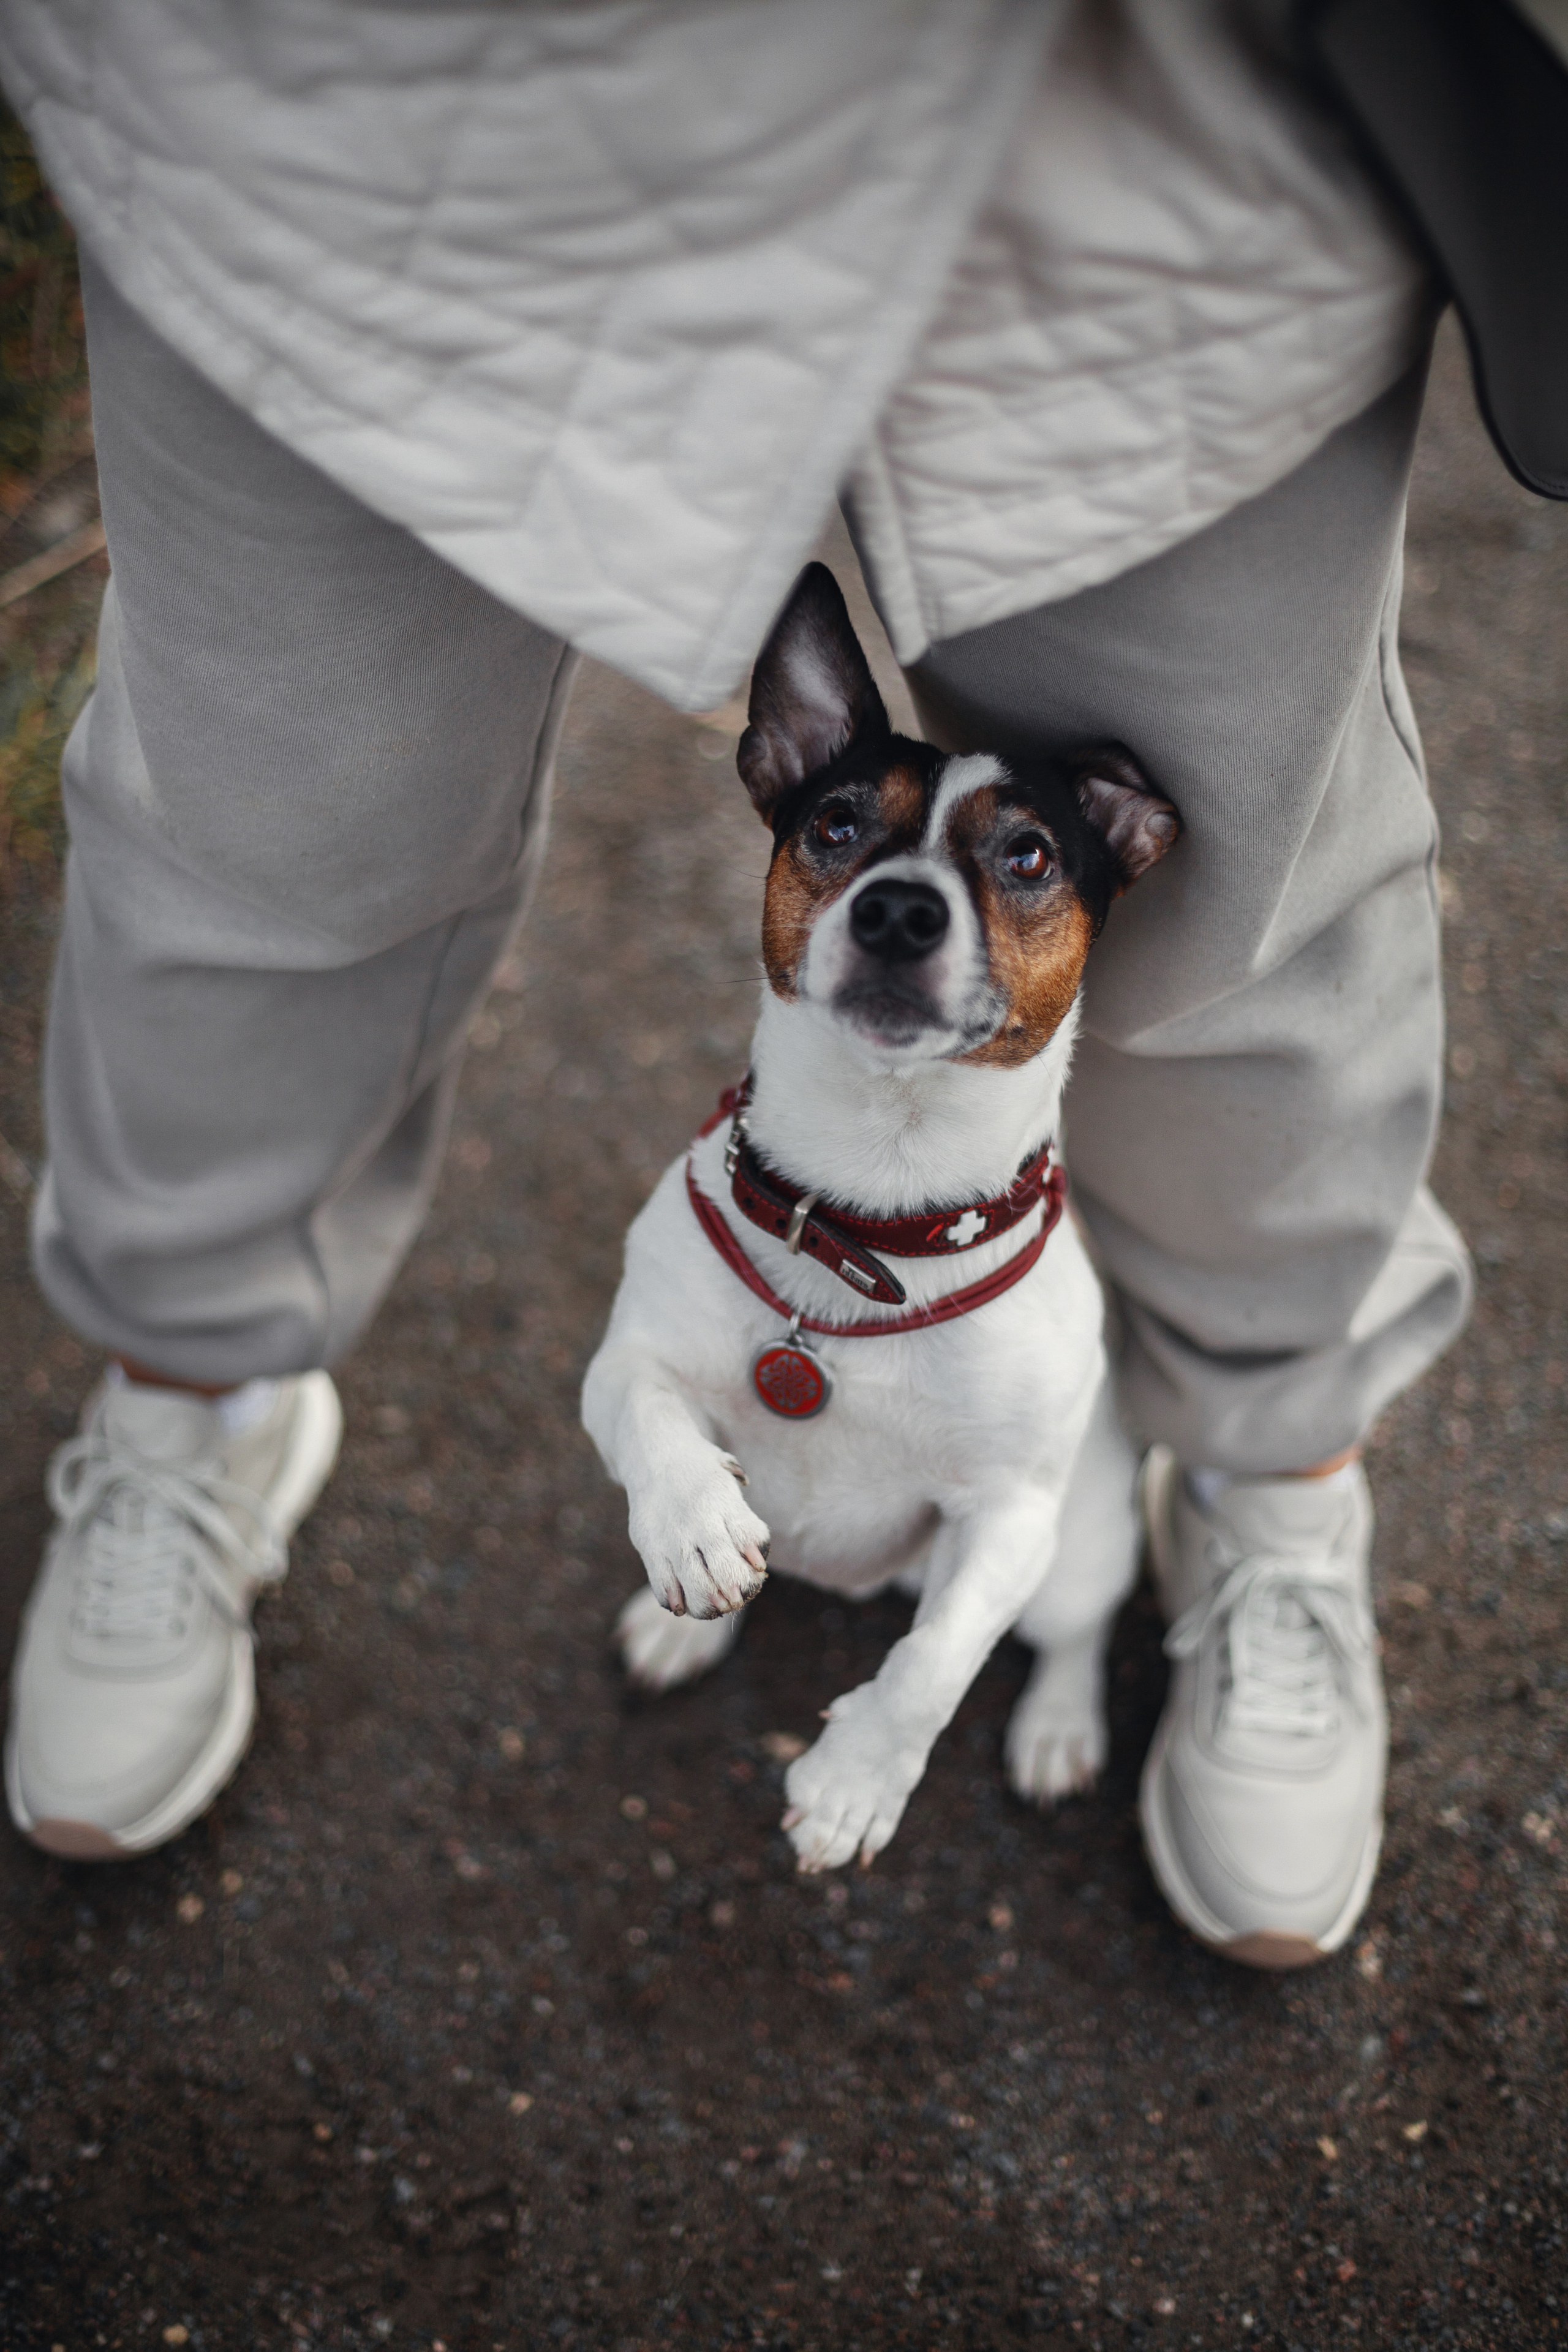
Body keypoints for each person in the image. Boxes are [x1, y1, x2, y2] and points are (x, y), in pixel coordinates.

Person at [1, 0, 1553, 1964]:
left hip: (1154, 160)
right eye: (849, 845)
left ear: (1101, 844)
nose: (906, 905)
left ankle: (1276, 1467)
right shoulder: (704, 1209)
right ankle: (193, 1389)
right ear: (781, 781)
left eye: (1004, 868)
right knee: (282, 815)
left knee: (1256, 896)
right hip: (350, 121)